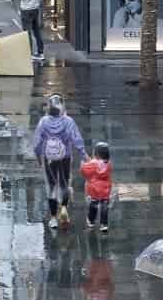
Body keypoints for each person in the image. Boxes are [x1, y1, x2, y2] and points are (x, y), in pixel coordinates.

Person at [31, 95, 85, 229]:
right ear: (62, 106)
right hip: (65, 156)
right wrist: (84, 154)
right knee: (64, 183)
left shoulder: (43, 122)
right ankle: (64, 208)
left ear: (49, 107)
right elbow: (77, 139)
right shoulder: (68, 121)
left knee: (51, 187)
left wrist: (39, 158)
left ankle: (54, 218)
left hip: (48, 158)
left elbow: (37, 143)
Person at [81, 141, 114, 232]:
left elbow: (84, 171)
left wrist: (85, 163)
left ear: (96, 153)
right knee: (104, 206)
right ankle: (104, 224)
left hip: (94, 189)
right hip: (105, 189)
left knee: (93, 205)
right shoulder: (108, 163)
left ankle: (91, 221)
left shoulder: (93, 163)